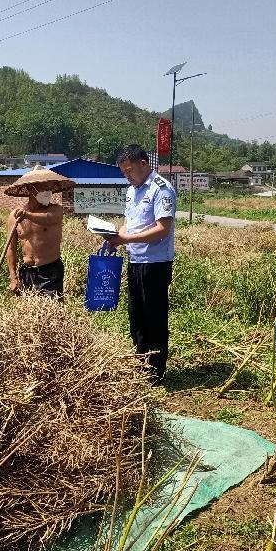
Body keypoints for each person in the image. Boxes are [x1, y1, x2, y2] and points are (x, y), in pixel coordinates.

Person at [106, 144, 176, 384]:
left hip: (155, 263)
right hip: (135, 260)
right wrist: (117, 238)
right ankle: (141, 364)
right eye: (123, 172)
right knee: (136, 316)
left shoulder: (162, 189)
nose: (127, 175)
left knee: (154, 317)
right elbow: (129, 223)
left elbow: (162, 230)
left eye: (129, 170)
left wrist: (126, 239)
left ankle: (156, 371)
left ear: (143, 164)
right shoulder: (132, 190)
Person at [4, 166, 75, 298]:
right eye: (44, 188)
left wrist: (27, 215)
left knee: (50, 311)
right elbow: (10, 249)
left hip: (50, 270)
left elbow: (50, 219)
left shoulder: (55, 210)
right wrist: (13, 277)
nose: (48, 192)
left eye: (50, 189)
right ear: (32, 188)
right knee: (26, 312)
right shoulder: (15, 216)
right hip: (27, 271)